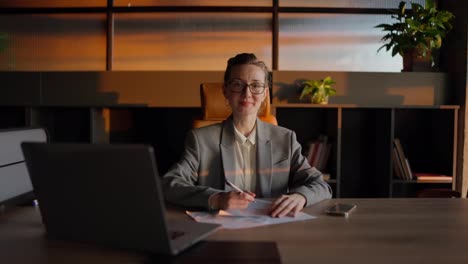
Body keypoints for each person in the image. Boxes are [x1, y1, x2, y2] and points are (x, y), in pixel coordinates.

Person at [163, 53, 332, 217]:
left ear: (265, 93)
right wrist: (215, 198)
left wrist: (300, 197)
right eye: (237, 84)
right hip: (221, 229)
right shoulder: (201, 140)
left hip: (272, 225)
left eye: (256, 85)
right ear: (226, 91)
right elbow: (170, 184)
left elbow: (320, 185)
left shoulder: (285, 139)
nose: (247, 93)